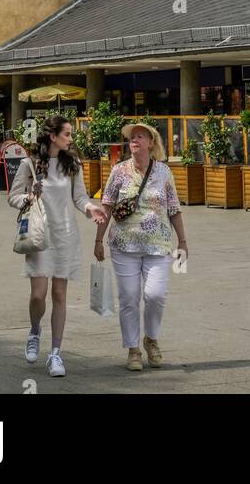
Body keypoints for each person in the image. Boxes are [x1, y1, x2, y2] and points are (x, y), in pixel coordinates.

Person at [7, 115, 106, 377]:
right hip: (40, 235)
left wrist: (90, 209)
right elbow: (13, 196)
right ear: (52, 136)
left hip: (65, 235)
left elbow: (80, 197)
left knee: (59, 295)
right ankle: (34, 330)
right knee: (38, 295)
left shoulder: (72, 163)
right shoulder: (30, 164)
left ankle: (55, 355)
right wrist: (28, 197)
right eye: (67, 134)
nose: (71, 139)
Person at [95, 121, 188, 371]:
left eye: (140, 136)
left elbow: (174, 208)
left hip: (159, 245)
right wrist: (98, 240)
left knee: (155, 296)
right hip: (123, 244)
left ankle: (151, 339)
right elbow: (107, 205)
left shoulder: (164, 172)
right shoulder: (118, 171)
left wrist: (183, 242)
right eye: (131, 137)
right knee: (129, 298)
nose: (134, 140)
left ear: (151, 143)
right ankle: (133, 349)